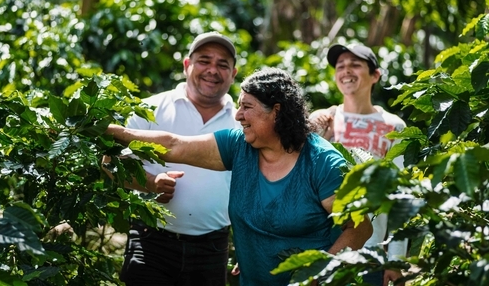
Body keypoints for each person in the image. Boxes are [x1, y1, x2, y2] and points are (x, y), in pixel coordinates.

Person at [106, 67, 373, 286]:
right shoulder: (240, 146)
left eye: (247, 107)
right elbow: (175, 145)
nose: (237, 115)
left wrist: (318, 275)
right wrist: (112, 132)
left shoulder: (321, 163)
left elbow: (360, 228)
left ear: (276, 111)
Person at [111, 31, 240, 286]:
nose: (213, 70)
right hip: (152, 242)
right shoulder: (149, 109)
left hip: (212, 249)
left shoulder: (241, 121)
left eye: (222, 64)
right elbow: (110, 162)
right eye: (204, 60)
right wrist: (150, 182)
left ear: (233, 74)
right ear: (187, 65)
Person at [310, 43, 408, 286]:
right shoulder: (323, 121)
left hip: (372, 251)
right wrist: (320, 133)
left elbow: (401, 195)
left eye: (355, 64)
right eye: (340, 66)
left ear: (375, 75)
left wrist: (396, 259)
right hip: (327, 245)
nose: (346, 70)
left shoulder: (393, 127)